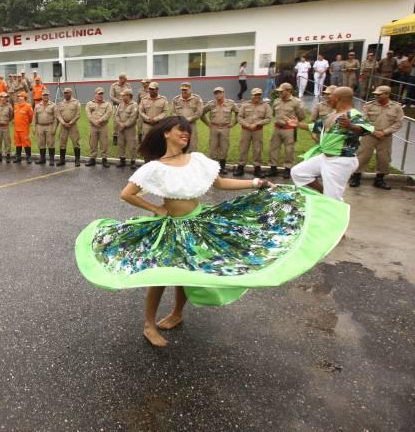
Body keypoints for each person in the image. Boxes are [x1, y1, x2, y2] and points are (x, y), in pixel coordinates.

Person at [75, 116, 350, 347]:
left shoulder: (197, 160)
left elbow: (220, 183)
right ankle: (149, 325)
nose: (185, 134)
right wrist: (157, 209)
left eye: (188, 131)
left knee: (187, 271)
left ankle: (177, 313)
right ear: (167, 133)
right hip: (172, 225)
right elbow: (127, 194)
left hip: (198, 221)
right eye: (180, 129)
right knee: (159, 275)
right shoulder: (154, 168)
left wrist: (256, 182)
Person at [288, 87, 373, 201]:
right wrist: (297, 124)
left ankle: (334, 212)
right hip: (324, 158)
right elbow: (316, 127)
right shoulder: (333, 114)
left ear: (338, 99)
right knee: (298, 172)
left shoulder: (353, 114)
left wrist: (350, 126)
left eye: (330, 98)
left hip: (340, 160)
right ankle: (324, 192)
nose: (328, 100)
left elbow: (365, 129)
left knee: (334, 199)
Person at [349, 85, 404, 190]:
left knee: (384, 158)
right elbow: (363, 120)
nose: (376, 96)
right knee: (362, 155)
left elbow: (399, 122)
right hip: (369, 135)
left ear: (387, 94)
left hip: (385, 137)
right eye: (376, 94)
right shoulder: (369, 105)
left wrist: (385, 132)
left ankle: (379, 180)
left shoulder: (396, 107)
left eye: (379, 94)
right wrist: (373, 131)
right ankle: (356, 177)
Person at [268, 83, 306, 178]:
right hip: (277, 128)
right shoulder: (276, 101)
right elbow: (273, 113)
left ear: (289, 91)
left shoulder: (296, 102)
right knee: (273, 148)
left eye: (282, 91)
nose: (279, 92)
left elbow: (302, 116)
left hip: (289, 130)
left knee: (289, 150)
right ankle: (273, 168)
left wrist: (293, 122)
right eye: (279, 91)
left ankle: (288, 169)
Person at [234, 88, 271, 177]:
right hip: (246, 130)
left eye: (259, 95)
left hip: (257, 131)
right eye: (255, 95)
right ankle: (240, 167)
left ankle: (257, 169)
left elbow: (268, 119)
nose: (257, 97)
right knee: (243, 149)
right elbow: (239, 117)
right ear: (251, 95)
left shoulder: (265, 106)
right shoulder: (245, 105)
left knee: (257, 149)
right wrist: (247, 124)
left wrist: (257, 123)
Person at [202, 87, 238, 174]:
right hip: (214, 128)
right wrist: (208, 123)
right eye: (216, 93)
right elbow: (201, 113)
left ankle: (222, 167)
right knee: (213, 148)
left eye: (220, 93)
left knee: (224, 147)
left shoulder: (230, 103)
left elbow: (238, 113)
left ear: (223, 93)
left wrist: (233, 123)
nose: (218, 95)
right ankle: (213, 168)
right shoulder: (211, 104)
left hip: (225, 128)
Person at [170, 82, 203, 151]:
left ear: (190, 89)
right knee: (179, 145)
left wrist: (189, 119)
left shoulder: (196, 99)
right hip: (179, 126)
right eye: (182, 90)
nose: (184, 91)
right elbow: (173, 112)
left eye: (186, 90)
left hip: (191, 125)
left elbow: (199, 112)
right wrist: (180, 120)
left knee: (192, 145)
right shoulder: (176, 99)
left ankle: (191, 160)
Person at [85, 87, 113, 167]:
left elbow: (108, 114)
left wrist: (99, 120)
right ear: (95, 94)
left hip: (103, 126)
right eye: (99, 94)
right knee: (93, 143)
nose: (101, 95)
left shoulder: (107, 104)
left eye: (102, 94)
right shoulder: (89, 104)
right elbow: (88, 114)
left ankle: (104, 159)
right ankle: (92, 159)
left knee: (104, 143)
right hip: (93, 127)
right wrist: (94, 121)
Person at [55, 88, 81, 167]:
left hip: (72, 125)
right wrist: (63, 122)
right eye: (64, 93)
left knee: (76, 142)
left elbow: (78, 114)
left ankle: (77, 160)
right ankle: (62, 160)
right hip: (63, 126)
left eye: (67, 93)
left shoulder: (76, 102)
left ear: (71, 93)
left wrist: (71, 122)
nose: (65, 94)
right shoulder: (60, 103)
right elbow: (58, 114)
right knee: (62, 143)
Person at [114, 88, 139, 169]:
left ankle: (133, 161)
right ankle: (122, 160)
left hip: (130, 129)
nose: (122, 97)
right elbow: (116, 115)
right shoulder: (121, 104)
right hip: (120, 128)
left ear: (128, 96)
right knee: (121, 144)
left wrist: (124, 125)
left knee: (132, 145)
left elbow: (133, 118)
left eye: (123, 95)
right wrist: (120, 124)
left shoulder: (134, 105)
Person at [33, 90, 57, 165]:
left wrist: (54, 128)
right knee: (41, 143)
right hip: (40, 126)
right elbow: (34, 117)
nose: (45, 96)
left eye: (46, 95)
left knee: (51, 143)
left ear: (48, 96)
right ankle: (42, 159)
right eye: (44, 95)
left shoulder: (53, 105)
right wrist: (33, 127)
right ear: (42, 96)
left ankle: (51, 159)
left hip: (49, 126)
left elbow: (56, 118)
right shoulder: (37, 106)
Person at [12, 92, 34, 164]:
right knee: (17, 143)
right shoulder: (15, 105)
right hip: (16, 128)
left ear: (24, 98)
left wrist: (27, 124)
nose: (19, 98)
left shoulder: (28, 106)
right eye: (18, 96)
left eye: (21, 96)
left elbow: (31, 117)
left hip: (24, 129)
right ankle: (18, 156)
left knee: (26, 142)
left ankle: (28, 157)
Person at [110, 73, 132, 144]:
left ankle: (125, 136)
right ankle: (115, 136)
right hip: (117, 105)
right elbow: (111, 97)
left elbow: (130, 94)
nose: (126, 80)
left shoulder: (128, 85)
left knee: (125, 119)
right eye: (125, 79)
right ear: (121, 79)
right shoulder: (114, 86)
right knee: (116, 121)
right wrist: (120, 102)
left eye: (126, 79)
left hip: (126, 105)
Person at [0, 92, 14, 163]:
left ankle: (8, 156)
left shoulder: (9, 106)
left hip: (5, 126)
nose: (4, 99)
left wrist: (7, 121)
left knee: (7, 141)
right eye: (3, 97)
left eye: (5, 97)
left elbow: (11, 116)